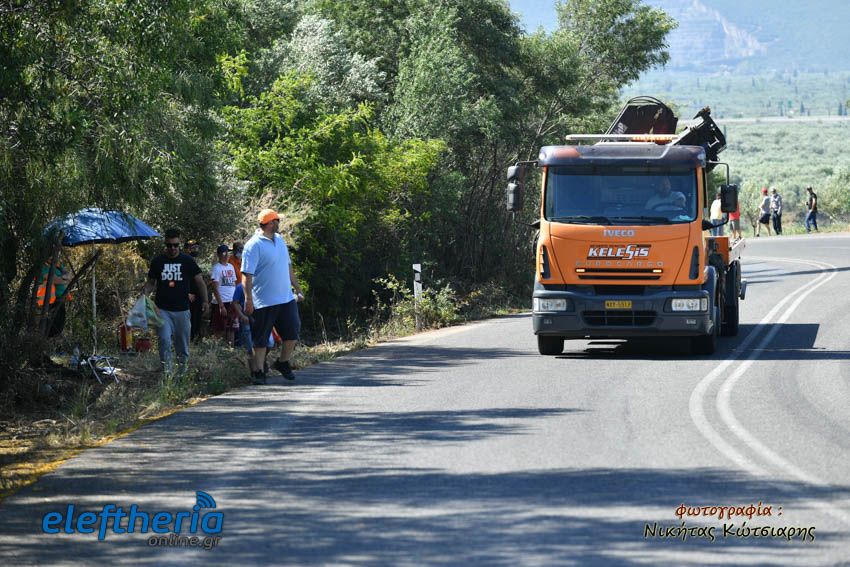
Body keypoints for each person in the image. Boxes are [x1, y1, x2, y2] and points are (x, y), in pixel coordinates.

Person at [241, 209, 304, 384]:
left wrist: (297, 288)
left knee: (292, 331)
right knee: (260, 340)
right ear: (270, 223)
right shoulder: (253, 245)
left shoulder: (280, 240)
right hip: (263, 301)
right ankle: (258, 372)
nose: (279, 223)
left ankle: (282, 363)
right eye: (277, 220)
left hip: (286, 298)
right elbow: (246, 275)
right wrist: (248, 299)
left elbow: (288, 267)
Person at [143, 229, 209, 375]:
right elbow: (151, 283)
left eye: (175, 245)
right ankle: (167, 373)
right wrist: (145, 296)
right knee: (164, 340)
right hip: (162, 310)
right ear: (165, 244)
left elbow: (200, 281)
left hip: (182, 310)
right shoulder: (158, 261)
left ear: (179, 244)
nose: (172, 248)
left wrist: (205, 301)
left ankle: (182, 373)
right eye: (169, 245)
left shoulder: (188, 261)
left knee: (182, 344)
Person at [210, 244, 238, 345]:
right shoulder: (216, 268)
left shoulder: (231, 266)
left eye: (228, 253)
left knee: (232, 328)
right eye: (224, 253)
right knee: (219, 329)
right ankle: (214, 350)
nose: (226, 255)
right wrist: (221, 306)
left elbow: (234, 284)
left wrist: (236, 300)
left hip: (232, 301)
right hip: (221, 302)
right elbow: (215, 288)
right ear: (218, 255)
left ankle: (231, 349)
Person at [184, 239, 204, 342]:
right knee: (189, 320)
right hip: (188, 297)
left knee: (197, 319)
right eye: (193, 248)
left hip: (197, 296)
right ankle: (189, 340)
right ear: (186, 249)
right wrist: (186, 293)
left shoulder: (193, 261)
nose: (196, 250)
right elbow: (180, 280)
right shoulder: (183, 262)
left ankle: (195, 340)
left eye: (197, 248)